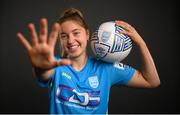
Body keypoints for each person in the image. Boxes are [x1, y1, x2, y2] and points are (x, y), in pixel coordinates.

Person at [17, 8, 160, 114]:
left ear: (87, 34)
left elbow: (152, 81)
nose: (71, 40)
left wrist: (140, 43)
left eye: (76, 33)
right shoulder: (55, 65)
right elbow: (43, 73)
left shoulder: (106, 68)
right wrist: (40, 67)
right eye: (64, 36)